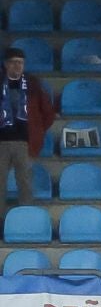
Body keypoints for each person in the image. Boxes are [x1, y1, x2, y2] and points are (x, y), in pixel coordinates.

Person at [1, 46, 56, 207]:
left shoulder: (32, 84)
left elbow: (48, 113)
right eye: (13, 62)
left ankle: (25, 215)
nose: (17, 66)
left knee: (25, 182)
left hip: (24, 143)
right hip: (1, 142)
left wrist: (36, 131)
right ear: (5, 64)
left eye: (20, 63)